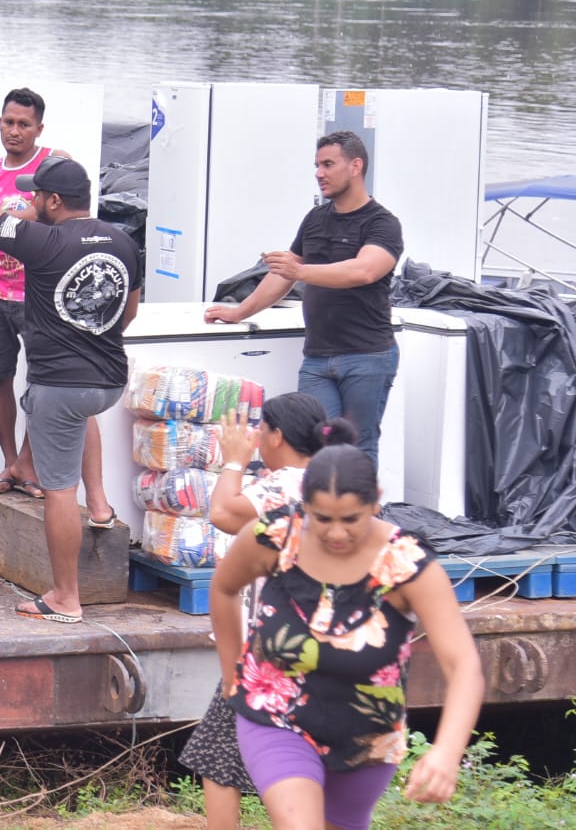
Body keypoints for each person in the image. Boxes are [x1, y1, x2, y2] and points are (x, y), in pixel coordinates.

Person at [0, 99, 141, 625]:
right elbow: (128, 310)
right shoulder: (123, 241)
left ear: (52, 200)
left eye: (38, 198)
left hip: (60, 386)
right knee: (78, 424)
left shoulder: (43, 242)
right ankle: (100, 503)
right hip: (108, 379)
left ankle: (65, 597)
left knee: (56, 491)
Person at [210, 443, 483, 830]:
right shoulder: (275, 536)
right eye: (322, 519)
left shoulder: (406, 563)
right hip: (276, 715)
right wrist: (230, 673)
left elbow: (463, 665)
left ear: (376, 502)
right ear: (303, 504)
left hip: (366, 736)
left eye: (351, 519)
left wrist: (447, 752)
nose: (336, 533)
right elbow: (223, 588)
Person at [178, 394, 354, 830]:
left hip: (274, 644)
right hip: (335, 643)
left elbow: (222, 513)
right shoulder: (338, 481)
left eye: (261, 431)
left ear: (276, 436)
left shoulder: (283, 484)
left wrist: (234, 461)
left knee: (218, 755)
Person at [203, 131, 403, 466]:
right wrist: (240, 313)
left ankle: (359, 517)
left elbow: (365, 271)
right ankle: (322, 516)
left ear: (356, 166)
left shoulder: (383, 223)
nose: (319, 173)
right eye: (316, 165)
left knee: (356, 447)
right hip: (317, 358)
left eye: (328, 164)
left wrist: (301, 272)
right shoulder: (315, 219)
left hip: (367, 356)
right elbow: (282, 274)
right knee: (314, 446)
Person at [0, 88, 113, 529]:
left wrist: (2, 222)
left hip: (41, 293)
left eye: (24, 124)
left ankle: (35, 466)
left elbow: (62, 217)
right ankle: (13, 463)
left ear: (39, 129)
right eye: (8, 122)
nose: (15, 131)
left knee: (49, 384)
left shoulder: (54, 164)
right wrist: (20, 219)